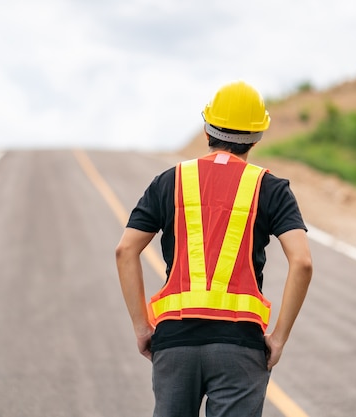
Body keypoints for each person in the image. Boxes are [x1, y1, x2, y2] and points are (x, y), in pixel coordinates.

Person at [115, 80, 313, 417]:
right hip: (240, 347)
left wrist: (141, 328)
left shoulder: (169, 181)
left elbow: (125, 251)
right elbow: (303, 263)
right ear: (257, 136)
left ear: (207, 130)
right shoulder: (271, 188)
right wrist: (278, 338)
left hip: (175, 342)